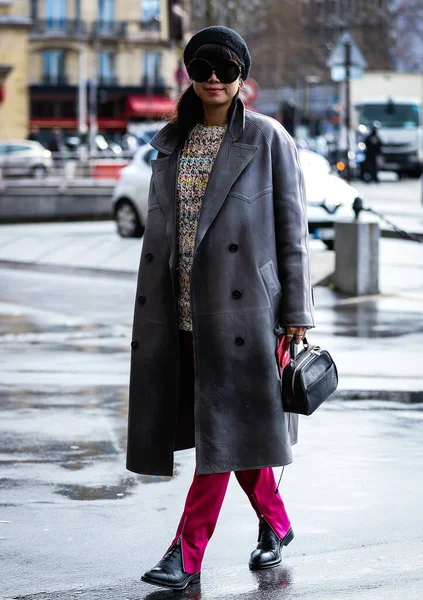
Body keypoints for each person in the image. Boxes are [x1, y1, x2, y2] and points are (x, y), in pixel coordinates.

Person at [126, 26, 315, 590]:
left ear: (242, 77)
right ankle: (276, 523)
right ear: (188, 71)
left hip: (247, 312)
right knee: (229, 426)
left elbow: (293, 232)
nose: (213, 78)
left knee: (220, 432)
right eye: (203, 66)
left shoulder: (268, 138)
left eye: (226, 69)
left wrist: (297, 312)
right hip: (180, 307)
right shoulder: (170, 140)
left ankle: (186, 552)